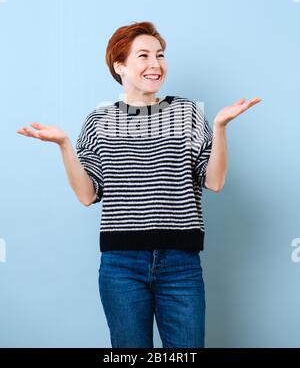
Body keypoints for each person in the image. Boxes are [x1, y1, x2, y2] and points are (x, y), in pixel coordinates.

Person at [16, 21, 262, 348]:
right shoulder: (100, 120)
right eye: (143, 56)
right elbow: (88, 195)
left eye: (159, 55)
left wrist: (219, 127)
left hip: (181, 263)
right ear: (120, 66)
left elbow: (214, 181)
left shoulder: (187, 112)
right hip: (121, 266)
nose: (155, 64)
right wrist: (64, 144)